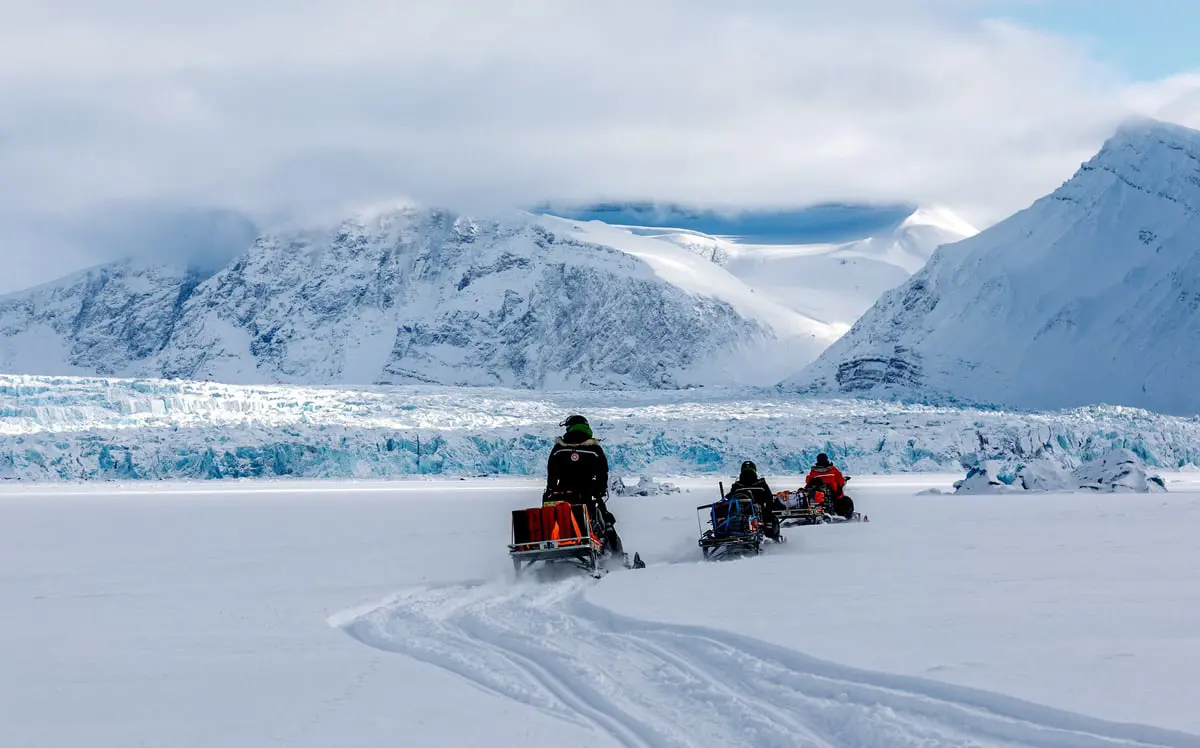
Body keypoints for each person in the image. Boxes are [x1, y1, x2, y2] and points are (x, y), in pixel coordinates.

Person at [545, 414, 623, 554]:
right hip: (587, 495)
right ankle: (617, 557)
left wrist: (550, 490)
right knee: (607, 521)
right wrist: (600, 490)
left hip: (561, 495)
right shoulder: (594, 449)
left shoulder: (558, 449)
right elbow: (602, 472)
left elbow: (552, 472)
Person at [727, 460, 782, 541]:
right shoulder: (761, 484)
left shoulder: (737, 485)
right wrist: (768, 510)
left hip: (739, 513)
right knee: (771, 518)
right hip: (758, 513)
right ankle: (774, 538)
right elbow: (769, 498)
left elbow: (729, 498)